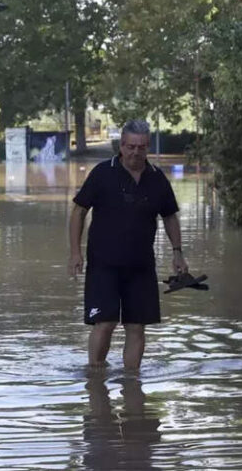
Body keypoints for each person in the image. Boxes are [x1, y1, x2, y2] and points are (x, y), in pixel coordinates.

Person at [68, 119, 188, 370]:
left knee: (136, 326)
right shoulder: (103, 173)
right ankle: (96, 375)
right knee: (105, 322)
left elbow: (169, 216)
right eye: (131, 146)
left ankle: (132, 381)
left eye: (141, 147)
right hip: (104, 263)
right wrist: (75, 252)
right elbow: (79, 211)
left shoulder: (157, 179)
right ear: (121, 145)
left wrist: (177, 253)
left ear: (147, 147)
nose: (136, 152)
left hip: (141, 265)